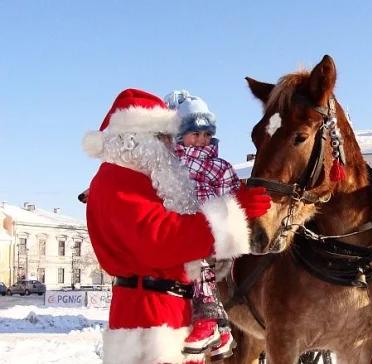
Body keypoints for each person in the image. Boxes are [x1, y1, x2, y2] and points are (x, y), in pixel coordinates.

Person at [81, 88, 271, 364]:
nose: (171, 147)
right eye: (162, 137)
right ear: (135, 138)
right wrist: (233, 212)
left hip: (165, 310)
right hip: (148, 318)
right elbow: (163, 239)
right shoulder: (118, 180)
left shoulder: (141, 179)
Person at [165, 90, 239, 360]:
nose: (201, 140)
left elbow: (231, 195)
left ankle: (209, 320)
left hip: (207, 226)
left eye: (206, 134)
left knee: (198, 263)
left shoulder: (219, 166)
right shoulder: (167, 162)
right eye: (195, 134)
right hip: (175, 225)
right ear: (179, 135)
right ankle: (220, 328)